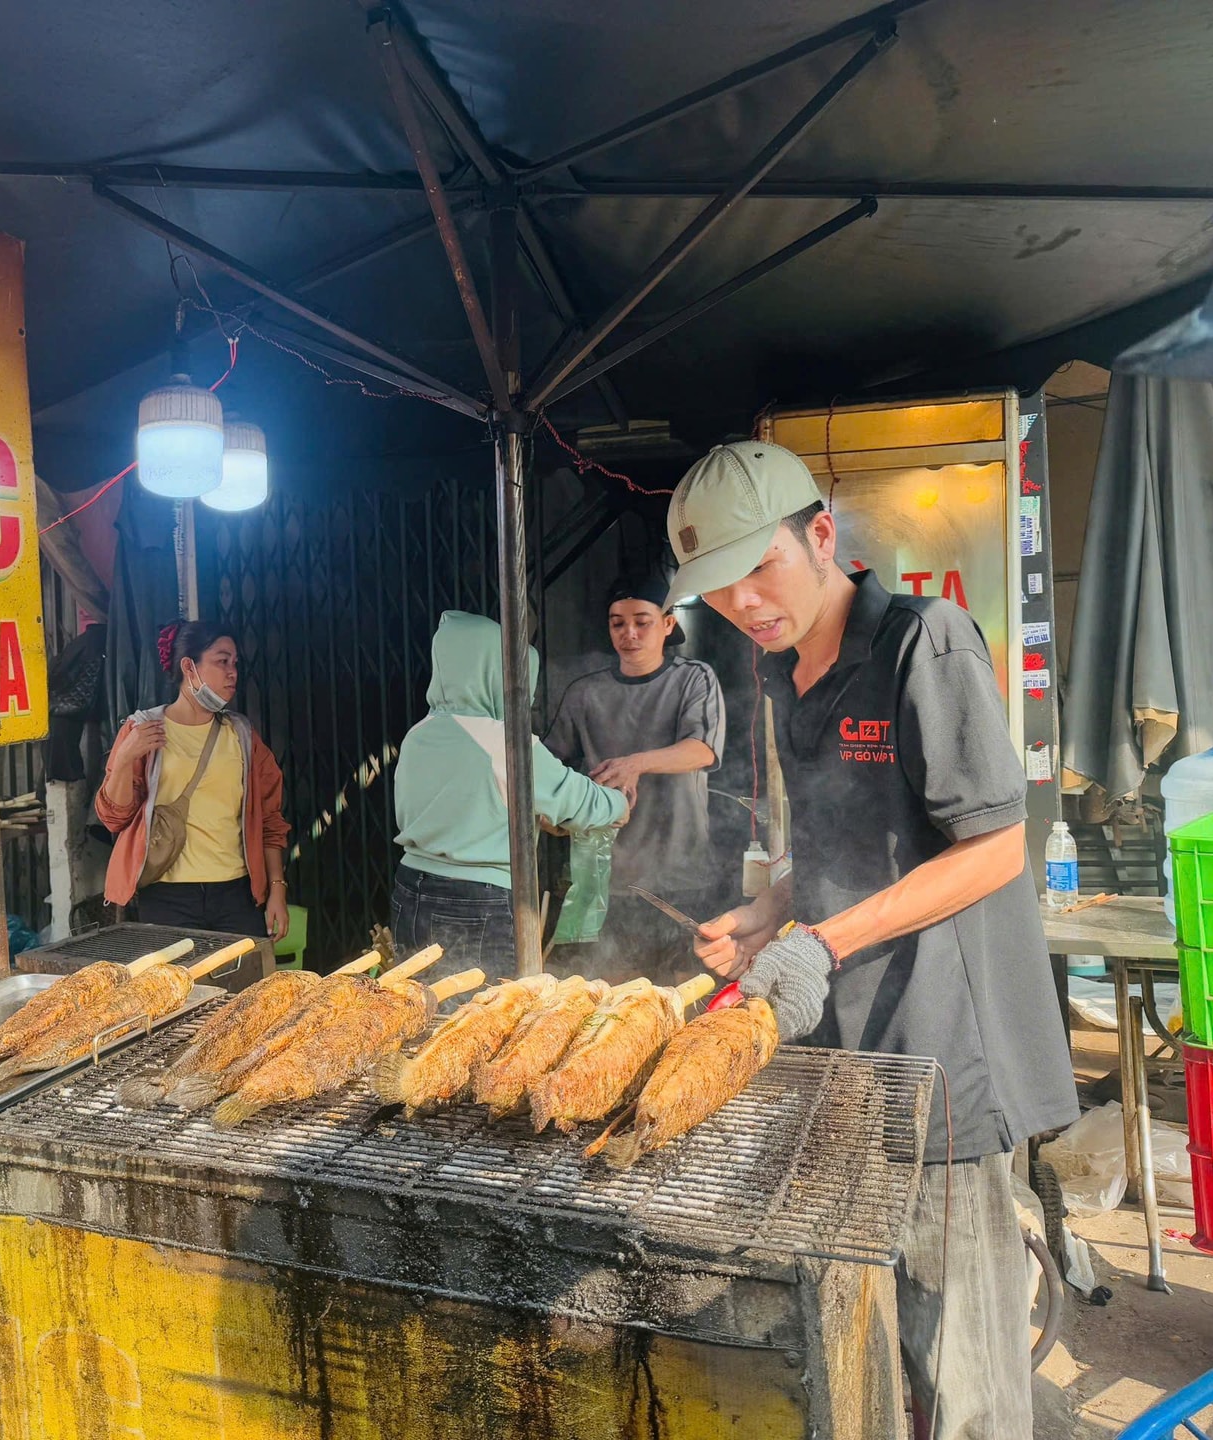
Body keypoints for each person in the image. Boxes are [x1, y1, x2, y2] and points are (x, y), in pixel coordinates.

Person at [667, 441, 1077, 1440]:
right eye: (718, 589)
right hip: (851, 1048)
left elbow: (992, 850)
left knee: (965, 1361)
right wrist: (775, 912)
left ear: (819, 537)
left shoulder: (923, 642)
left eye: (757, 568)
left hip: (945, 1052)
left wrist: (821, 943)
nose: (745, 603)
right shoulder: (778, 669)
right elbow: (864, 839)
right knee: (874, 1342)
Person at [392, 611, 628, 982]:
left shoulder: (418, 735)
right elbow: (579, 802)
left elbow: (467, 804)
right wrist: (620, 801)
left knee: (418, 1004)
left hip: (411, 888)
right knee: (482, 1020)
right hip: (477, 900)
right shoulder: (504, 743)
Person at [546, 575, 725, 984]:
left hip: (681, 872)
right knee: (614, 995)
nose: (629, 634)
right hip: (610, 879)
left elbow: (703, 750)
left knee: (684, 994)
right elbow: (550, 766)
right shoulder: (584, 693)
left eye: (642, 622)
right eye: (617, 623)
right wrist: (553, 815)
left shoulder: (694, 679)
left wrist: (635, 763)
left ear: (667, 623)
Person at [97, 621, 290, 941]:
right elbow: (113, 817)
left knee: (244, 990)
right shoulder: (143, 730)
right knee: (177, 991)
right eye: (221, 661)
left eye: (235, 663)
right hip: (167, 897)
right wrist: (124, 759)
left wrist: (277, 891)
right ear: (189, 666)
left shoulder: (241, 735)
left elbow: (270, 821)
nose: (233, 673)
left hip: (236, 895)